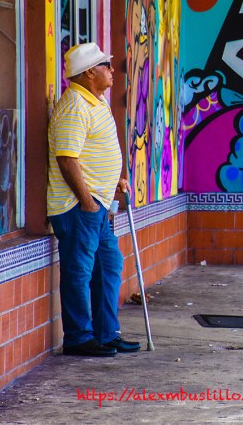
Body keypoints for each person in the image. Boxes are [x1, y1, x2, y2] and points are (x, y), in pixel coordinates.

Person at [47, 42, 139, 357]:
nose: (112, 70)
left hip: (96, 203)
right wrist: (87, 201)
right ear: (89, 72)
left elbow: (89, 155)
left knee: (109, 263)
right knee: (79, 269)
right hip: (78, 207)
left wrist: (112, 182)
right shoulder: (75, 105)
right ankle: (78, 338)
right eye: (106, 66)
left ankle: (105, 333)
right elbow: (67, 158)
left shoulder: (94, 101)